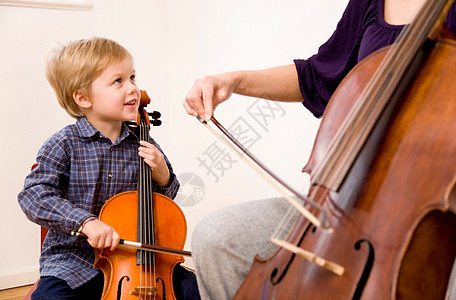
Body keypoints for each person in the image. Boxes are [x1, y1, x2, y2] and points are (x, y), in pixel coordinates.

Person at [183, 0, 456, 299]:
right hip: (343, 196)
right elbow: (318, 75)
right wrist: (231, 81)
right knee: (217, 239)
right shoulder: (369, 3)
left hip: (435, 208)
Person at [18, 37, 199, 300]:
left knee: (194, 289)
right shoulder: (64, 143)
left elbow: (164, 202)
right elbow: (34, 195)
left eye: (133, 78)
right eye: (118, 81)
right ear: (83, 98)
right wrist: (86, 223)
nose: (133, 89)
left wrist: (163, 174)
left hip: (139, 259)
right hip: (73, 260)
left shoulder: (143, 141)